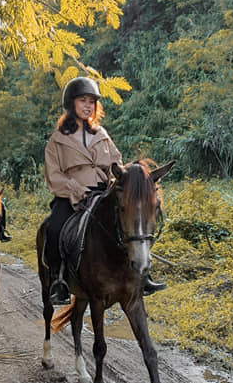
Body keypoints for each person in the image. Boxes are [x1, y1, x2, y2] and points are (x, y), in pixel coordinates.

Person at [43, 77, 166, 306]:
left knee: (132, 222)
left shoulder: (102, 135)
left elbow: (117, 163)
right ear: (71, 104)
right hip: (72, 197)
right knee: (54, 228)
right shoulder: (57, 140)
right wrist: (74, 189)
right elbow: (53, 175)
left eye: (92, 101)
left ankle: (142, 275)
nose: (88, 105)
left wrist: (131, 177)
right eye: (83, 100)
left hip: (102, 193)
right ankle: (58, 281)